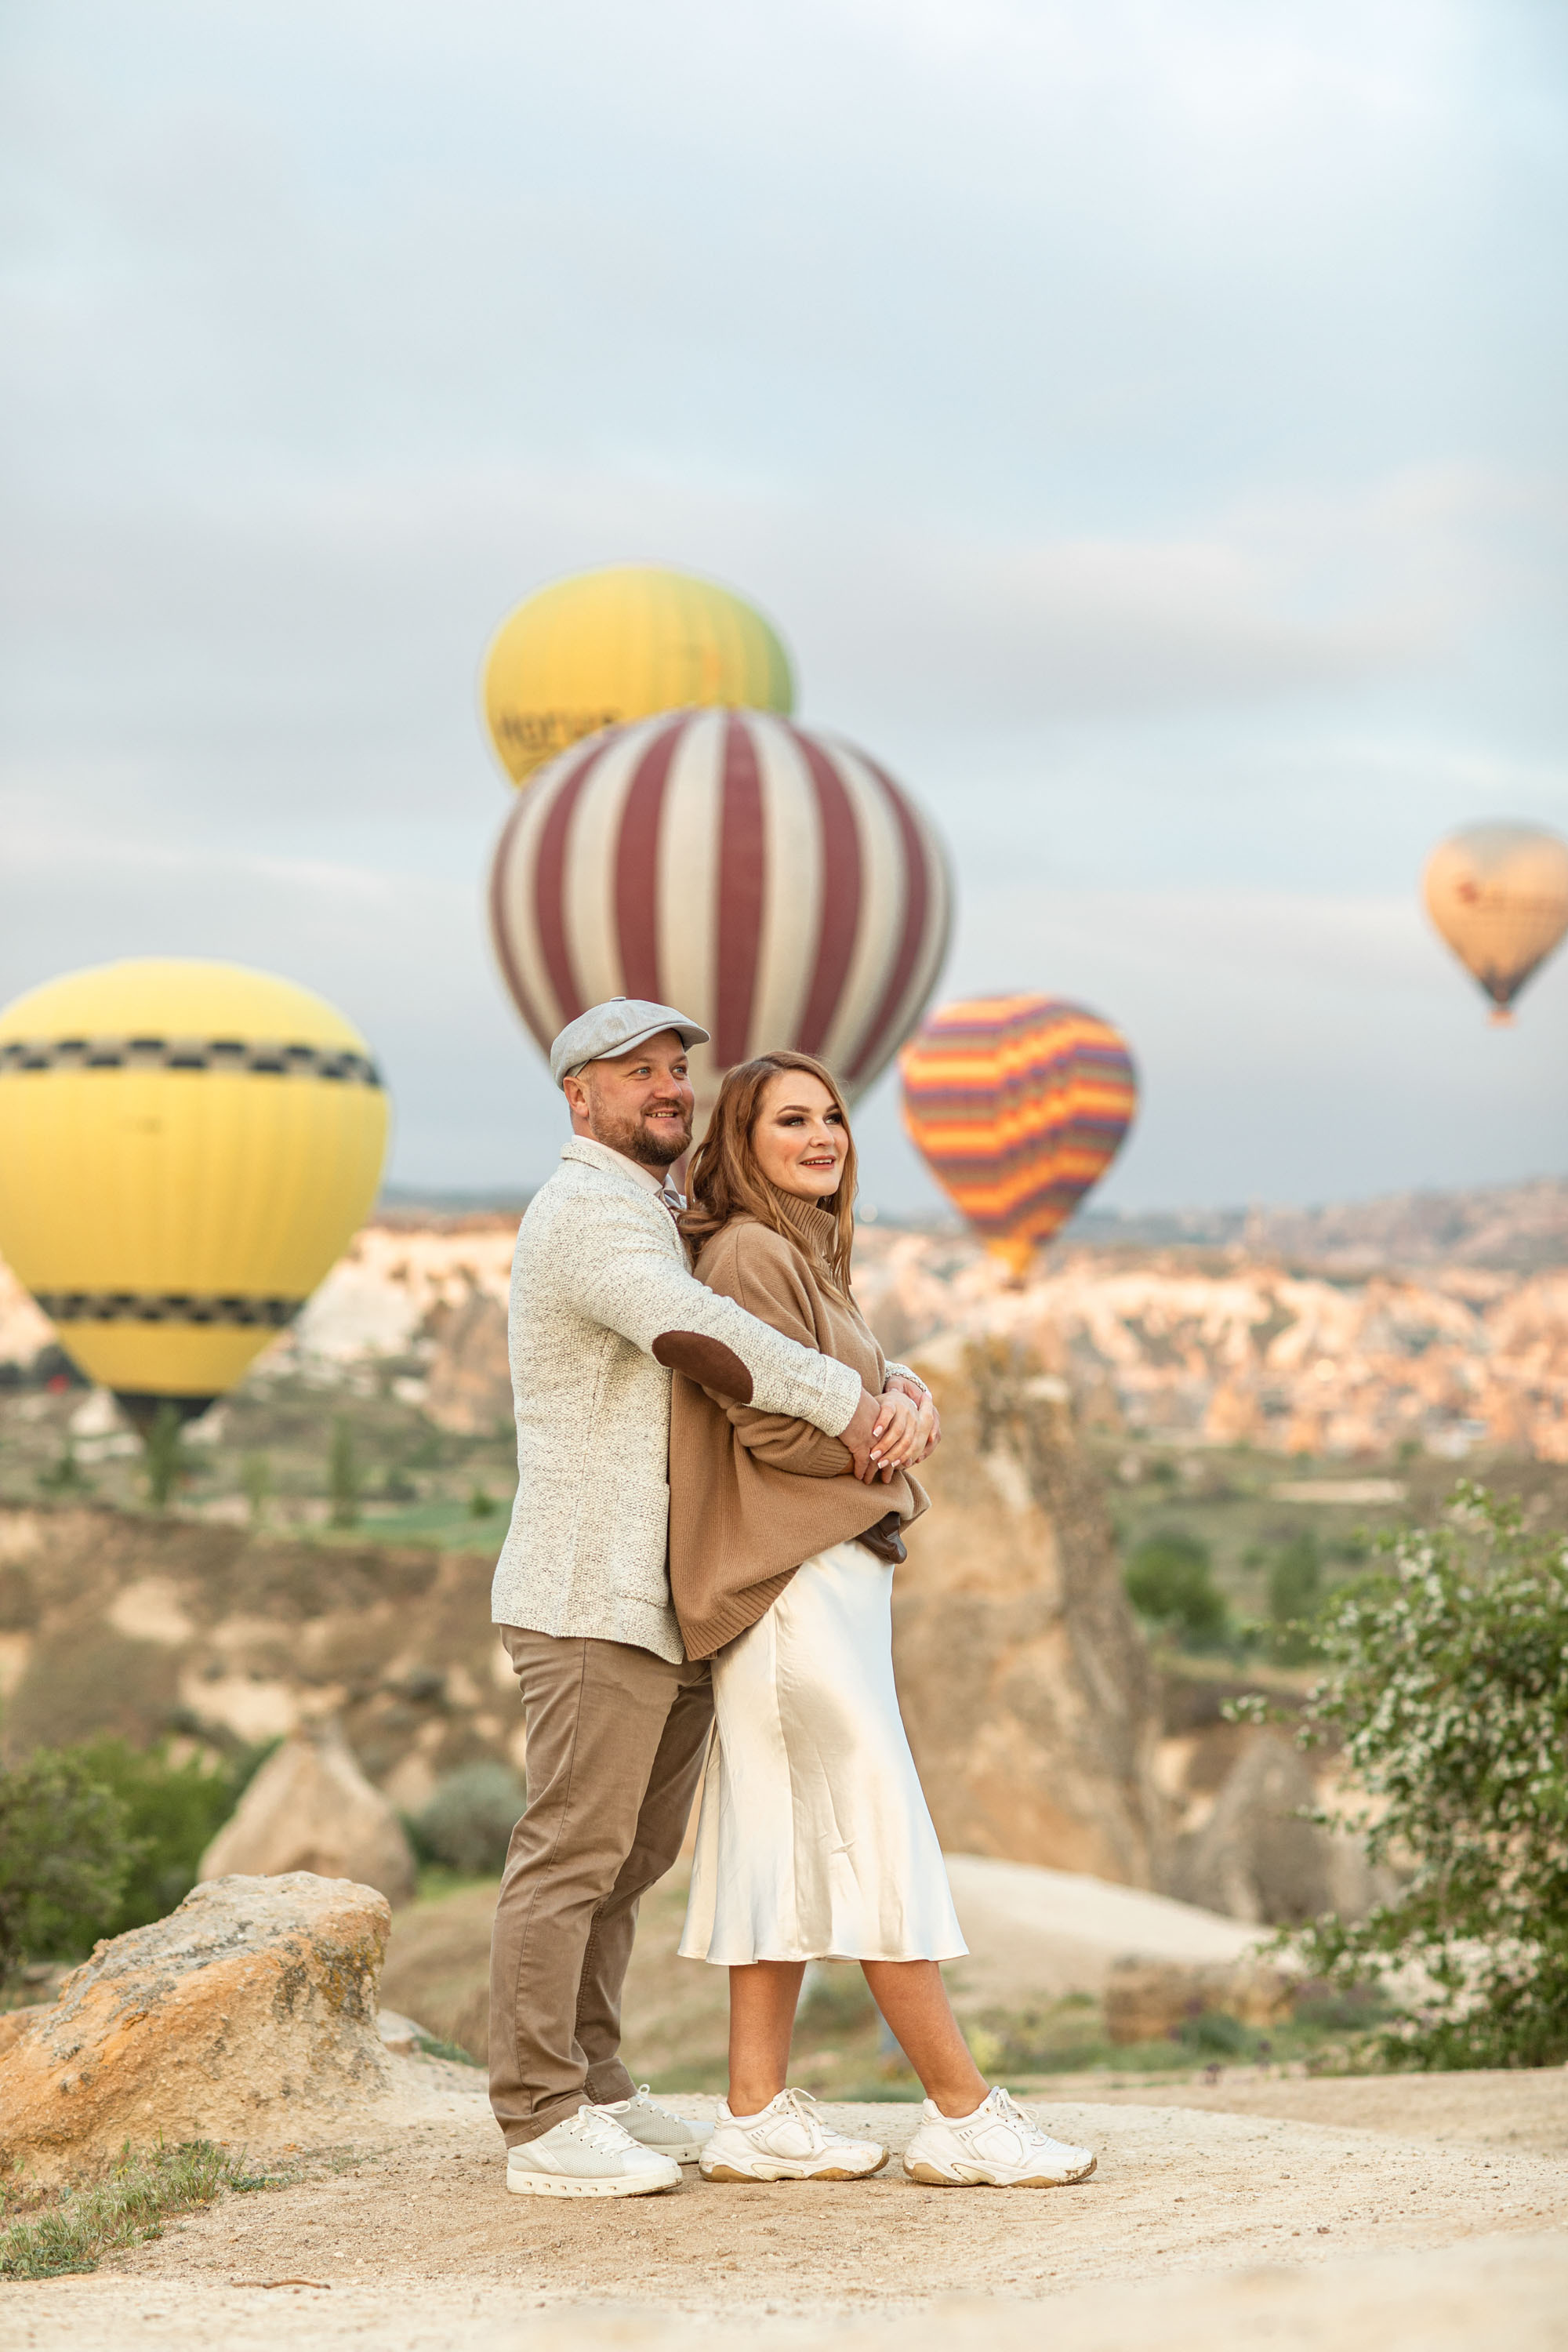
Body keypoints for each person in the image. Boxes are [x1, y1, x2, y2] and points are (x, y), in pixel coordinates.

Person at [488, 999, 932, 2201]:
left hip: (664, 1598)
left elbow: (808, 1311)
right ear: (578, 1096)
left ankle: (595, 2087)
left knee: (628, 1861)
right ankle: (538, 2121)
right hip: (592, 1591)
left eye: (677, 1069)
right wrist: (857, 1412)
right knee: (572, 1855)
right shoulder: (589, 1215)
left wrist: (905, 1387)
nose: (666, 1087)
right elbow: (702, 1332)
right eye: (636, 1073)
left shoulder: (657, 1212)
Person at [668, 1050, 1098, 2190]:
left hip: (810, 1591)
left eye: (834, 1117)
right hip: (797, 1591)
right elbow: (765, 1419)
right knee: (875, 1834)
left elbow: (839, 1372)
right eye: (789, 1121)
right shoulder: (755, 1251)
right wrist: (883, 1450)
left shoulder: (800, 1247)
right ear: (740, 1142)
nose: (823, 1137)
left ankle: (753, 2113)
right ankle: (962, 2114)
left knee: (780, 1845)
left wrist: (903, 1389)